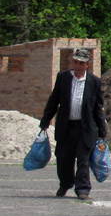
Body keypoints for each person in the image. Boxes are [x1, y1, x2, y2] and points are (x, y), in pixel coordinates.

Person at [39, 48, 107, 200]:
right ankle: (65, 183)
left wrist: (102, 131)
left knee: (83, 159)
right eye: (76, 62)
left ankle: (82, 188)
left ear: (87, 65)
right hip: (66, 126)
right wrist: (45, 122)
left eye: (81, 63)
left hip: (85, 128)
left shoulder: (94, 82)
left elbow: (97, 107)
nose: (78, 66)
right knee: (64, 158)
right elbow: (53, 101)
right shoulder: (63, 78)